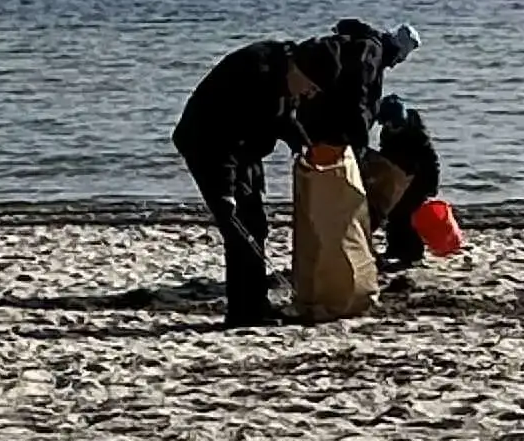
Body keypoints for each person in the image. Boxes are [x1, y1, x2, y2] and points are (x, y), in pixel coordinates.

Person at [172, 19, 418, 327]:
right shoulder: (256, 75)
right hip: (208, 144)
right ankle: (242, 314)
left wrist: (304, 146)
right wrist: (224, 191)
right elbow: (223, 134)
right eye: (311, 87)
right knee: (239, 229)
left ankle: (254, 305)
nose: (310, 94)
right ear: (300, 71)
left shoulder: (289, 73)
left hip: (245, 147)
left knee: (256, 224)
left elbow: (284, 117)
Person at [370, 93, 444, 273]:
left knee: (406, 216)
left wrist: (431, 187)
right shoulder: (387, 132)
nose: (388, 126)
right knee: (393, 213)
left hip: (419, 180)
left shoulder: (417, 134)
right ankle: (395, 249)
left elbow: (431, 162)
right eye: (385, 123)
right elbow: (386, 153)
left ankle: (413, 254)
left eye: (392, 123)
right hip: (399, 176)